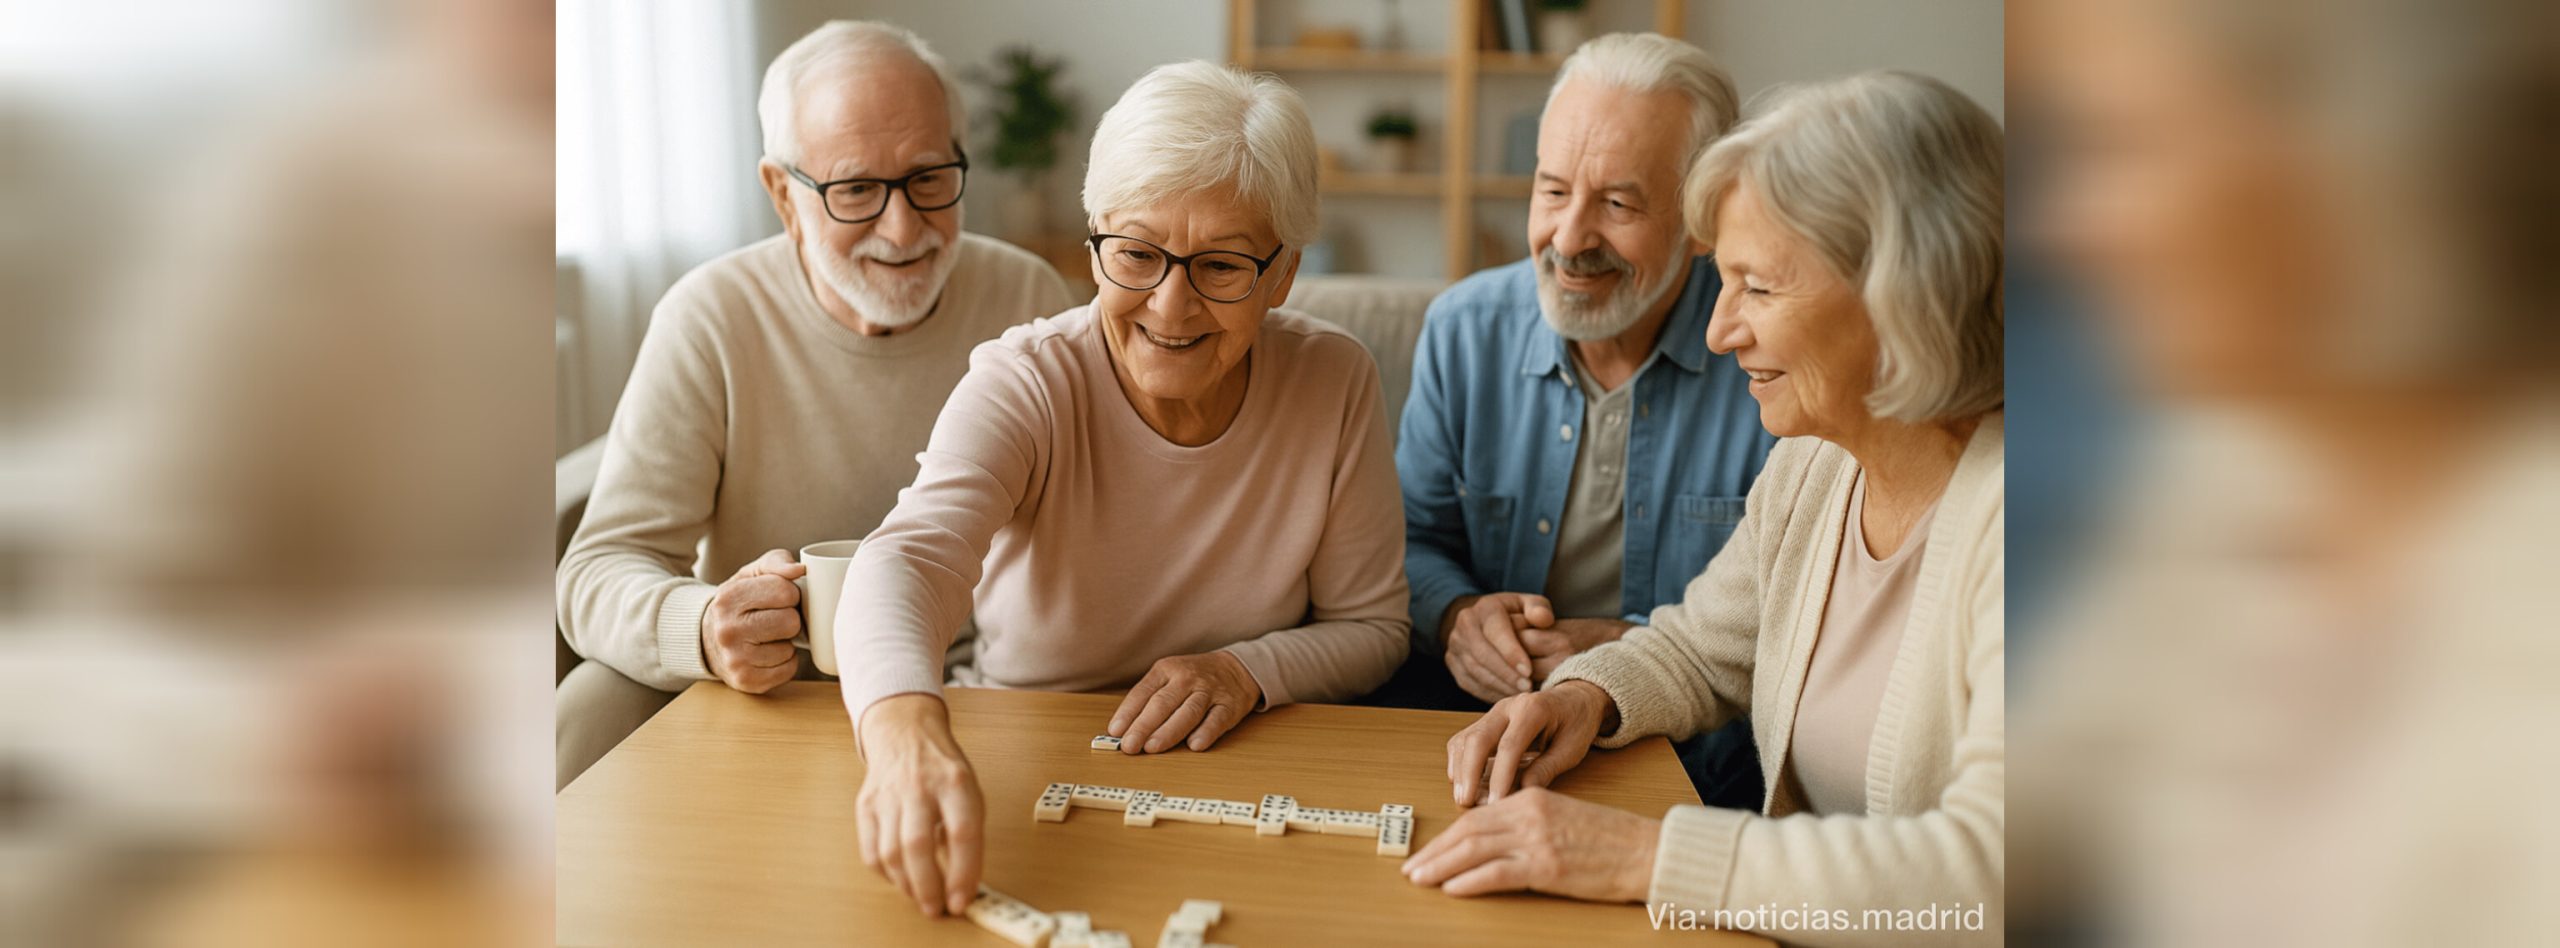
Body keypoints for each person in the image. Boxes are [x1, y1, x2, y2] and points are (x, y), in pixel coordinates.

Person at [1405, 72, 2006, 947]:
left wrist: (1645, 860)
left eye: (1757, 287)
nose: (1721, 331)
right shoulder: (1814, 464)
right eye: (1721, 284)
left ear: (1903, 297)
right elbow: (1701, 649)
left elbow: (1993, 880)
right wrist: (1582, 697)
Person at [838, 61, 1409, 917]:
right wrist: (905, 735)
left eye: (1220, 266)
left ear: (1283, 274)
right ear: (1095, 241)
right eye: (1137, 254)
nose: (1169, 308)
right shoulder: (1026, 380)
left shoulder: (1335, 378)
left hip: (1251, 763)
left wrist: (1245, 671)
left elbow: (1373, 627)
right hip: (1031, 740)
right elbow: (908, 560)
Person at [553, 21, 1072, 787]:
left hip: (977, 681)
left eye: (930, 177)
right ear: (783, 195)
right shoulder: (712, 315)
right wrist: (701, 626)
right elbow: (596, 569)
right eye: (856, 189)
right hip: (775, 687)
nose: (904, 229)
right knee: (587, 703)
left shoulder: (1027, 294)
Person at [1392, 32, 1775, 808]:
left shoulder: (1769, 363)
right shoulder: (1464, 331)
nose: (1569, 240)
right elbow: (1408, 541)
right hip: (1468, 749)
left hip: (1693, 766)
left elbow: (1792, 613)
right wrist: (1456, 617)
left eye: (1619, 203)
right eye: (1553, 190)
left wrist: (1627, 646)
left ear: (1704, 218)